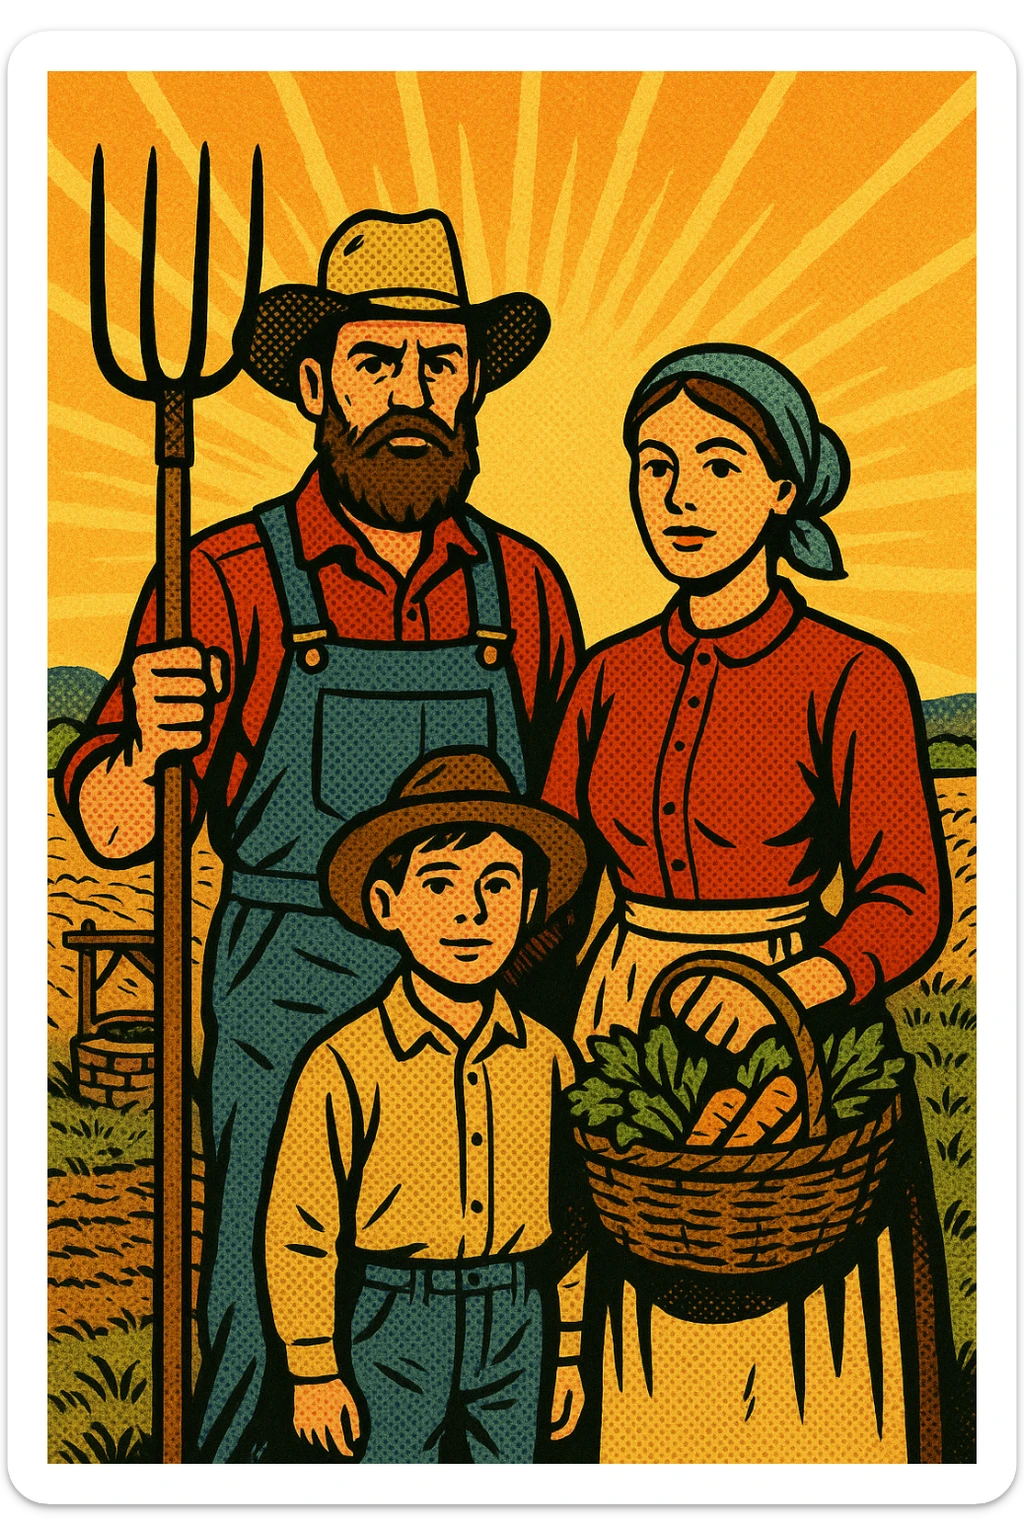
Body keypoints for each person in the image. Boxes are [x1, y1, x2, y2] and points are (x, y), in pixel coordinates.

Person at [58, 209, 583, 1462]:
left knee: (504, 1304)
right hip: (284, 996)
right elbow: (116, 825)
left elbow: (564, 825)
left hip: (489, 999)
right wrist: (145, 745)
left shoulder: (525, 587)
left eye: (440, 362)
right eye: (375, 363)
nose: (413, 395)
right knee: (259, 1306)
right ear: (314, 382)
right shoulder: (226, 576)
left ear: (472, 382)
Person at [542, 343, 957, 1464]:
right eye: (655, 465)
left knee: (793, 1325)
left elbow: (909, 896)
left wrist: (796, 986)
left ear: (782, 488)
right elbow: (560, 871)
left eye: (719, 466)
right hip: (624, 1008)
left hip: (796, 1024)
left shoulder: (850, 673)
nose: (680, 499)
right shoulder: (609, 676)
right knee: (640, 1287)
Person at [262, 748, 589, 1463]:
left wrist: (566, 1353)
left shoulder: (549, 1059)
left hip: (518, 1314)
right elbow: (300, 1223)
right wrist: (313, 1364)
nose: (470, 914)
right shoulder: (346, 1061)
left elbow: (573, 1216)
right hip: (394, 1320)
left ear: (530, 903)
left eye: (497, 886)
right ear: (387, 905)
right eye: (438, 885)